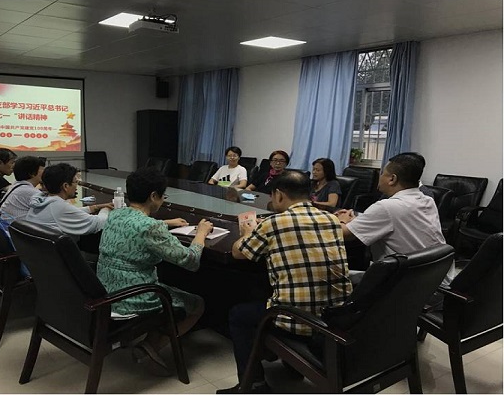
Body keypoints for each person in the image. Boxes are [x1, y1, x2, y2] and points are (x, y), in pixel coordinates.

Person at [218, 170, 352, 394]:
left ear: (279, 195)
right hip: (337, 316)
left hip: (299, 318)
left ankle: (254, 385)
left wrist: (247, 232)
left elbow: (238, 253)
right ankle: (291, 366)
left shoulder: (273, 223)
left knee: (239, 315)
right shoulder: (330, 218)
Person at [97, 167, 214, 373]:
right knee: (197, 304)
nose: (163, 200)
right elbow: (191, 260)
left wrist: (166, 222)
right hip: (134, 297)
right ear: (153, 196)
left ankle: (150, 339)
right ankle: (151, 346)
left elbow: (137, 224)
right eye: (163, 196)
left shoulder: (116, 214)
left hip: (105, 290)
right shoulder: (151, 227)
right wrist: (201, 233)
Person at [337, 152, 456, 285]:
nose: (380, 177)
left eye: (382, 173)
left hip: (408, 285)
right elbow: (396, 223)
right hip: (436, 278)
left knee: (335, 278)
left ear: (392, 179)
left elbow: (345, 234)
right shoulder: (427, 200)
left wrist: (342, 220)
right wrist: (357, 221)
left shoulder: (387, 206)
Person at [24, 163, 112, 242]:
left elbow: (70, 212)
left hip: (40, 256)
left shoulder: (41, 200)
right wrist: (106, 209)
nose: (76, 185)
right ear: (65, 186)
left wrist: (95, 207)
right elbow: (97, 224)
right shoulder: (59, 206)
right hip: (57, 257)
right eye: (75, 182)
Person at [0, 156, 46, 222]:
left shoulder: (15, 186)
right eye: (42, 170)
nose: (45, 173)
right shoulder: (31, 192)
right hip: (16, 231)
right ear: (32, 173)